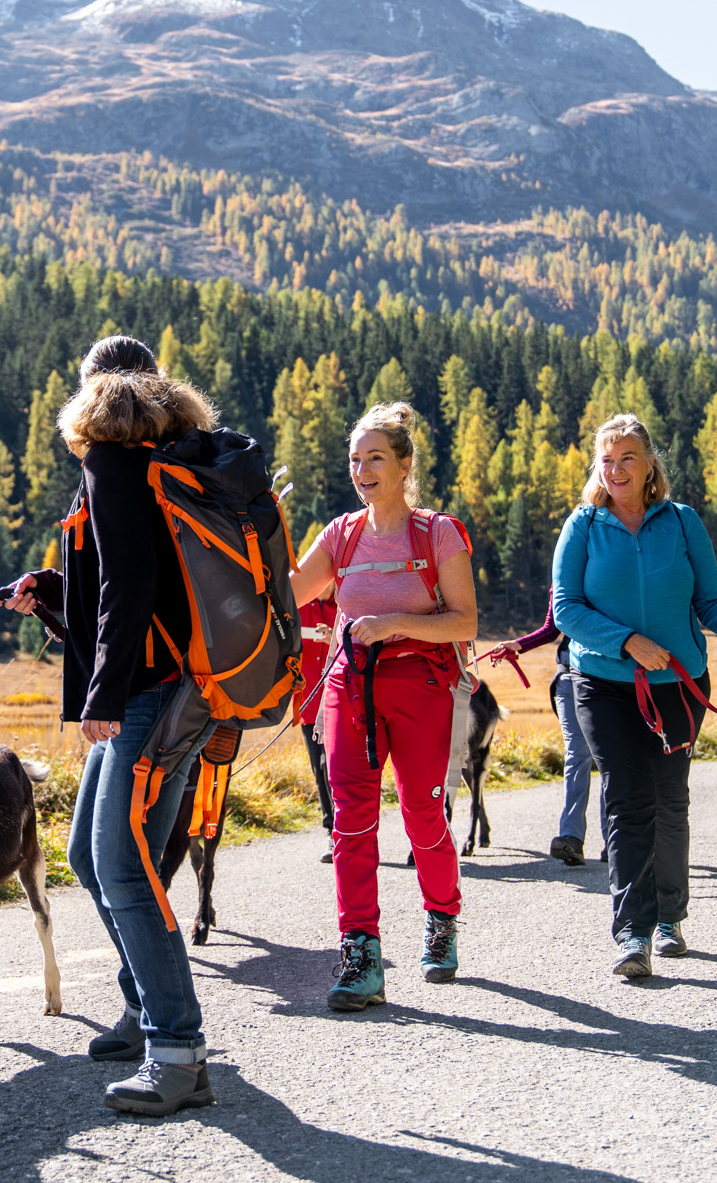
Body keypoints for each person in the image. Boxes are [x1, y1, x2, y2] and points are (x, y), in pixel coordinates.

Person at [3, 335, 219, 1117]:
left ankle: (179, 1048)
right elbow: (124, 588)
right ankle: (145, 1001)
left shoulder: (111, 458)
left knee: (122, 865)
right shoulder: (167, 458)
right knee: (89, 858)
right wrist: (54, 592)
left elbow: (129, 589)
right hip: (166, 687)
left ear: (94, 389)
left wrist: (100, 693)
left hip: (150, 696)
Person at [551, 413, 717, 979]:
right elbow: (567, 609)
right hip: (603, 686)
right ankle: (632, 932)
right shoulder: (582, 526)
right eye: (606, 460)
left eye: (627, 458)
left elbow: (711, 601)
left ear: (650, 462)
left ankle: (669, 916)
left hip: (678, 686)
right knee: (627, 799)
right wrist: (627, 641)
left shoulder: (682, 523)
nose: (615, 470)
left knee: (669, 800)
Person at [289, 402, 478, 1012]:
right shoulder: (340, 535)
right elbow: (287, 593)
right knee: (350, 820)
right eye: (355, 459)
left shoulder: (436, 533)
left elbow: (466, 621)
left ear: (403, 466)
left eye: (375, 458)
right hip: (349, 687)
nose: (362, 470)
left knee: (424, 813)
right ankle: (361, 953)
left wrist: (392, 621)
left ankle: (442, 917)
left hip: (420, 686)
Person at [494, 598, 601, 866]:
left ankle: (616, 841)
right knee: (577, 754)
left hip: (608, 677)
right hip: (568, 676)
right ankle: (571, 838)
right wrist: (517, 645)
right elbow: (552, 629)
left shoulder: (612, 564)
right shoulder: (564, 566)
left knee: (610, 758)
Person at [295, 588, 340, 862]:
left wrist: (333, 636)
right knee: (318, 768)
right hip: (309, 705)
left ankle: (349, 830)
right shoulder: (298, 604)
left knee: (332, 766)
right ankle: (332, 831)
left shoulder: (346, 604)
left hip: (342, 702)